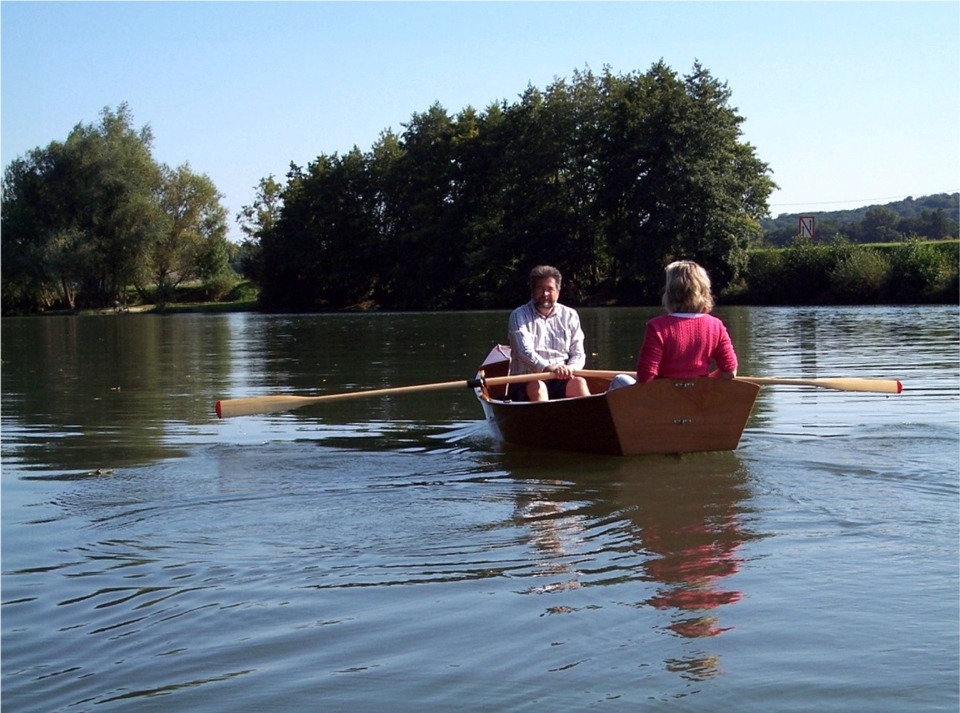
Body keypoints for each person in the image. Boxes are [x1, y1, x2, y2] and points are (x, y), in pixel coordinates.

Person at [610, 260, 738, 389]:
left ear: (670, 292)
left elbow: (645, 377)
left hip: (662, 402)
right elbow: (730, 372)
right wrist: (699, 385)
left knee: (619, 380)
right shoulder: (716, 325)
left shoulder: (657, 327)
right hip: (698, 400)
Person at [507, 265, 591, 401]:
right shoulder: (518, 315)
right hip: (528, 380)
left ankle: (593, 419)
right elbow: (524, 352)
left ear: (558, 291)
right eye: (540, 289)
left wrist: (570, 368)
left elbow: (578, 353)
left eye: (550, 289)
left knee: (579, 382)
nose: (545, 294)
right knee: (538, 386)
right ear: (532, 291)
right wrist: (548, 368)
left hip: (560, 378)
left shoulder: (570, 315)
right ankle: (545, 420)